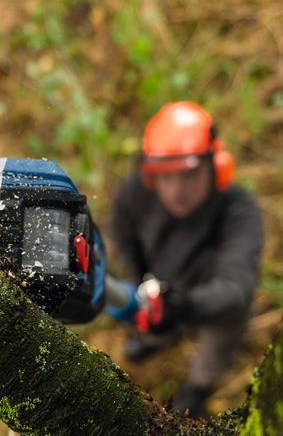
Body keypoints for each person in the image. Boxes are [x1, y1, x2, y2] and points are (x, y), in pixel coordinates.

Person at [106, 101, 263, 416]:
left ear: (215, 166)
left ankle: (199, 385)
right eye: (165, 177)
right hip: (160, 287)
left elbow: (235, 290)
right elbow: (124, 237)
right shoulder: (135, 193)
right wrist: (141, 288)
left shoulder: (239, 211)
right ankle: (156, 338)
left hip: (211, 302)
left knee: (225, 327)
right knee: (155, 318)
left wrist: (185, 307)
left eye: (188, 175)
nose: (176, 190)